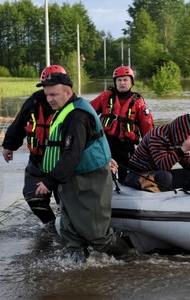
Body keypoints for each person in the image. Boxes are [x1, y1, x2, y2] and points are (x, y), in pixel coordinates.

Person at [34, 70, 128, 262]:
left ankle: (130, 261)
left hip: (90, 180)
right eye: (47, 95)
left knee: (97, 235)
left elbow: (72, 154)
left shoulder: (76, 116)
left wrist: (49, 182)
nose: (49, 99)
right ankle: (77, 269)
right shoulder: (65, 110)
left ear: (67, 93)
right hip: (71, 179)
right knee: (70, 232)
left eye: (54, 94)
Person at [2, 65, 66, 232]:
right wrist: (9, 146)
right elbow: (19, 124)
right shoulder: (33, 101)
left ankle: (67, 228)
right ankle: (51, 227)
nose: (50, 93)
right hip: (37, 160)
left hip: (63, 161)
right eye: (47, 87)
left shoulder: (71, 106)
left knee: (66, 200)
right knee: (33, 196)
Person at [123, 114, 190, 192]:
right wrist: (182, 150)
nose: (187, 139)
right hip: (137, 174)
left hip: (156, 173)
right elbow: (162, 165)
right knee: (165, 176)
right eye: (186, 136)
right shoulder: (157, 136)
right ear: (178, 131)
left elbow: (186, 162)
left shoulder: (177, 139)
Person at [90, 65, 154, 183]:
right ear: (115, 82)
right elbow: (88, 112)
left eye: (125, 80)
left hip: (127, 146)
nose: (122, 83)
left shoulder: (139, 103)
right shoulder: (105, 97)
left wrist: (149, 152)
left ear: (131, 82)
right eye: (119, 80)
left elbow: (148, 131)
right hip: (106, 144)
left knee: (126, 177)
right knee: (105, 173)